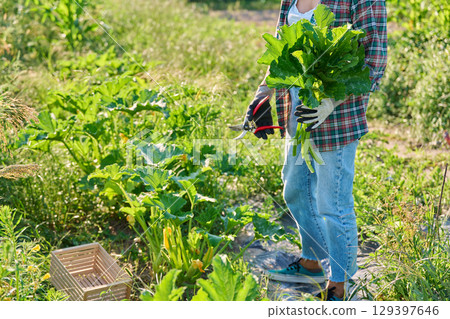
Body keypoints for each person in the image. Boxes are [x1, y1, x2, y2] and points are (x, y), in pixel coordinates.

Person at [246, 0, 387, 301]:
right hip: (297, 109)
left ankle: (340, 286)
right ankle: (312, 263)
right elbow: (281, 48)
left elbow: (374, 62)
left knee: (332, 204)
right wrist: (262, 93)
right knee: (294, 189)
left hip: (337, 114)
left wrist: (330, 102)